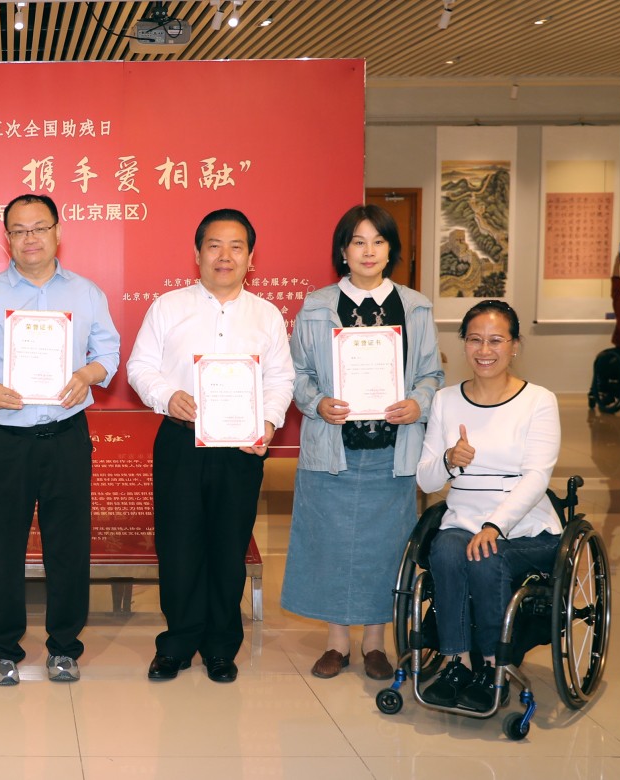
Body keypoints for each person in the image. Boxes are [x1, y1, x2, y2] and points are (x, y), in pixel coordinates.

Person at [0, 193, 121, 686]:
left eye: (39, 228)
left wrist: (88, 374)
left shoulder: (86, 293)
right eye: (19, 230)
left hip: (66, 435)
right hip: (5, 438)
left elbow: (109, 351)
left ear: (58, 232)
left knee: (69, 546)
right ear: (7, 239)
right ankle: (2, 647)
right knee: (0, 545)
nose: (30, 239)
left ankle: (64, 647)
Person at [127, 208, 295, 683]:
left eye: (236, 246)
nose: (225, 256)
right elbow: (140, 367)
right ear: (197, 253)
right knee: (178, 547)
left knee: (228, 548)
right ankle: (177, 643)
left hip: (240, 449)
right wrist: (168, 396)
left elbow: (281, 378)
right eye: (214, 245)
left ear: (250, 257)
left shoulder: (266, 315)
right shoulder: (167, 307)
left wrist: (268, 421)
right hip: (181, 442)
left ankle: (221, 647)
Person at [280, 205, 444, 681]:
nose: (368, 251)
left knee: (386, 547)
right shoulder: (316, 305)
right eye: (358, 241)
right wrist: (317, 402)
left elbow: (432, 373)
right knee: (330, 543)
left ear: (391, 250)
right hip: (333, 448)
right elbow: (296, 373)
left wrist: (417, 403)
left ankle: (375, 643)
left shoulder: (415, 307)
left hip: (393, 452)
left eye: (378, 241)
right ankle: (337, 642)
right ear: (343, 250)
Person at [415, 300, 562, 712]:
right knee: (445, 550)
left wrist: (495, 526)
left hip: (525, 527)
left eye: (496, 340)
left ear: (515, 345)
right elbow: (426, 479)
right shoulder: (445, 400)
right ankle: (458, 662)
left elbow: (537, 477)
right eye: (475, 340)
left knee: (484, 556)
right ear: (463, 343)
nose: (484, 350)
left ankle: (492, 666)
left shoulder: (538, 401)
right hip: (463, 520)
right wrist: (449, 460)